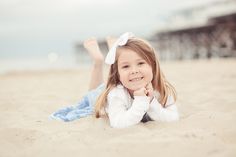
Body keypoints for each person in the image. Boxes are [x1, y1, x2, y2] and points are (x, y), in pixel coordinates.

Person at [51, 32, 179, 128]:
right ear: (117, 73)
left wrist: (151, 101)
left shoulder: (162, 89)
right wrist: (141, 101)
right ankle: (98, 61)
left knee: (123, 58)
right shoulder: (117, 93)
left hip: (124, 83)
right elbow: (119, 123)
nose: (134, 70)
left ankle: (116, 52)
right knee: (92, 95)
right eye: (126, 66)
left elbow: (173, 118)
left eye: (140, 63)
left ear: (153, 65)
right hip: (104, 95)